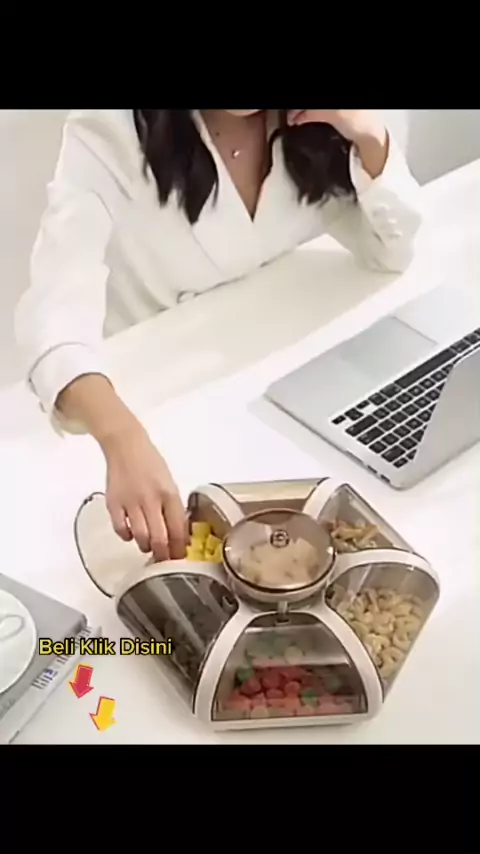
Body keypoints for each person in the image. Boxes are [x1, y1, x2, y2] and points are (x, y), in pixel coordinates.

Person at [15, 109, 423, 561]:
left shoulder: (315, 125)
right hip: (151, 412)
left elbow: (390, 250)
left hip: (272, 404)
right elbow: (53, 315)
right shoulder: (110, 128)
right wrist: (121, 436)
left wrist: (368, 135)